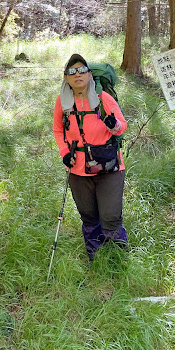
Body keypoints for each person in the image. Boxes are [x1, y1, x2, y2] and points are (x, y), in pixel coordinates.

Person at [53, 54, 128, 261]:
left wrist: (115, 126)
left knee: (111, 216)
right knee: (88, 216)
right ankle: (95, 257)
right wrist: (64, 153)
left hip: (109, 165)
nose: (77, 75)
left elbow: (122, 125)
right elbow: (58, 130)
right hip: (77, 167)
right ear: (66, 78)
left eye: (81, 70)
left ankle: (117, 258)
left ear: (89, 75)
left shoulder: (104, 98)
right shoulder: (63, 102)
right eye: (71, 71)